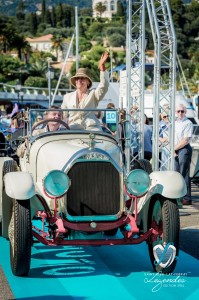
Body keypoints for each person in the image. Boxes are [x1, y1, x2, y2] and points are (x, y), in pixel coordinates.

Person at [61, 51, 109, 131]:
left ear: (88, 82)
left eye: (82, 78)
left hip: (92, 128)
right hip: (73, 128)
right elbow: (63, 115)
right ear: (75, 81)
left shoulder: (93, 94)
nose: (79, 80)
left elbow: (104, 86)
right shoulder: (67, 97)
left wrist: (102, 67)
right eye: (77, 78)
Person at [174, 103, 193, 205]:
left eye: (182, 111)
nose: (180, 113)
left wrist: (174, 149)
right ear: (175, 112)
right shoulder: (174, 123)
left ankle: (186, 197)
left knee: (184, 173)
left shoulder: (188, 123)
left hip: (184, 149)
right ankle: (177, 196)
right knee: (175, 173)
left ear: (185, 112)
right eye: (178, 111)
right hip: (175, 149)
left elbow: (185, 140)